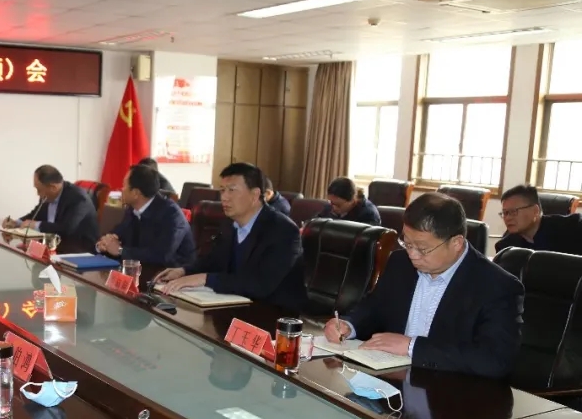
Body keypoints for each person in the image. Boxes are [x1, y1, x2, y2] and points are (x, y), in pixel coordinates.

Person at [324, 193, 523, 380]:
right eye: (407, 243)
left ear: (456, 243)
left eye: (422, 248)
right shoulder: (400, 262)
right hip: (392, 381)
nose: (412, 255)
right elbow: (374, 307)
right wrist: (349, 325)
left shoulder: (496, 286)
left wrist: (412, 347)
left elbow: (495, 359)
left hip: (452, 392)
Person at [157, 162, 306, 312]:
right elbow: (212, 261)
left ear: (255, 195)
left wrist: (205, 279)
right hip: (234, 306)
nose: (224, 197)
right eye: (222, 190)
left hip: (273, 313)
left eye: (232, 190)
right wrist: (184, 271)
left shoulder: (283, 231)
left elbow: (260, 284)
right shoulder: (229, 224)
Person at [96, 164, 194, 267]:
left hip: (175, 271)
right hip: (141, 268)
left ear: (135, 193)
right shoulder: (133, 209)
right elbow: (118, 233)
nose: (121, 189)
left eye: (124, 186)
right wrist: (104, 243)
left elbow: (161, 255)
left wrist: (120, 250)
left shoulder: (172, 215)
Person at [2, 165, 99, 245]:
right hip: (53, 244)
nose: (38, 194)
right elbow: (35, 214)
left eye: (39, 190)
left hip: (79, 248)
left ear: (53, 187)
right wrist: (17, 222)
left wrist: (36, 225)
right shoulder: (48, 195)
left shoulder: (78, 199)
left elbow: (66, 229)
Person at [495, 184, 582, 255]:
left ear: (535, 211)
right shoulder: (506, 247)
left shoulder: (572, 228)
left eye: (513, 212)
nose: (507, 218)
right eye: (505, 213)